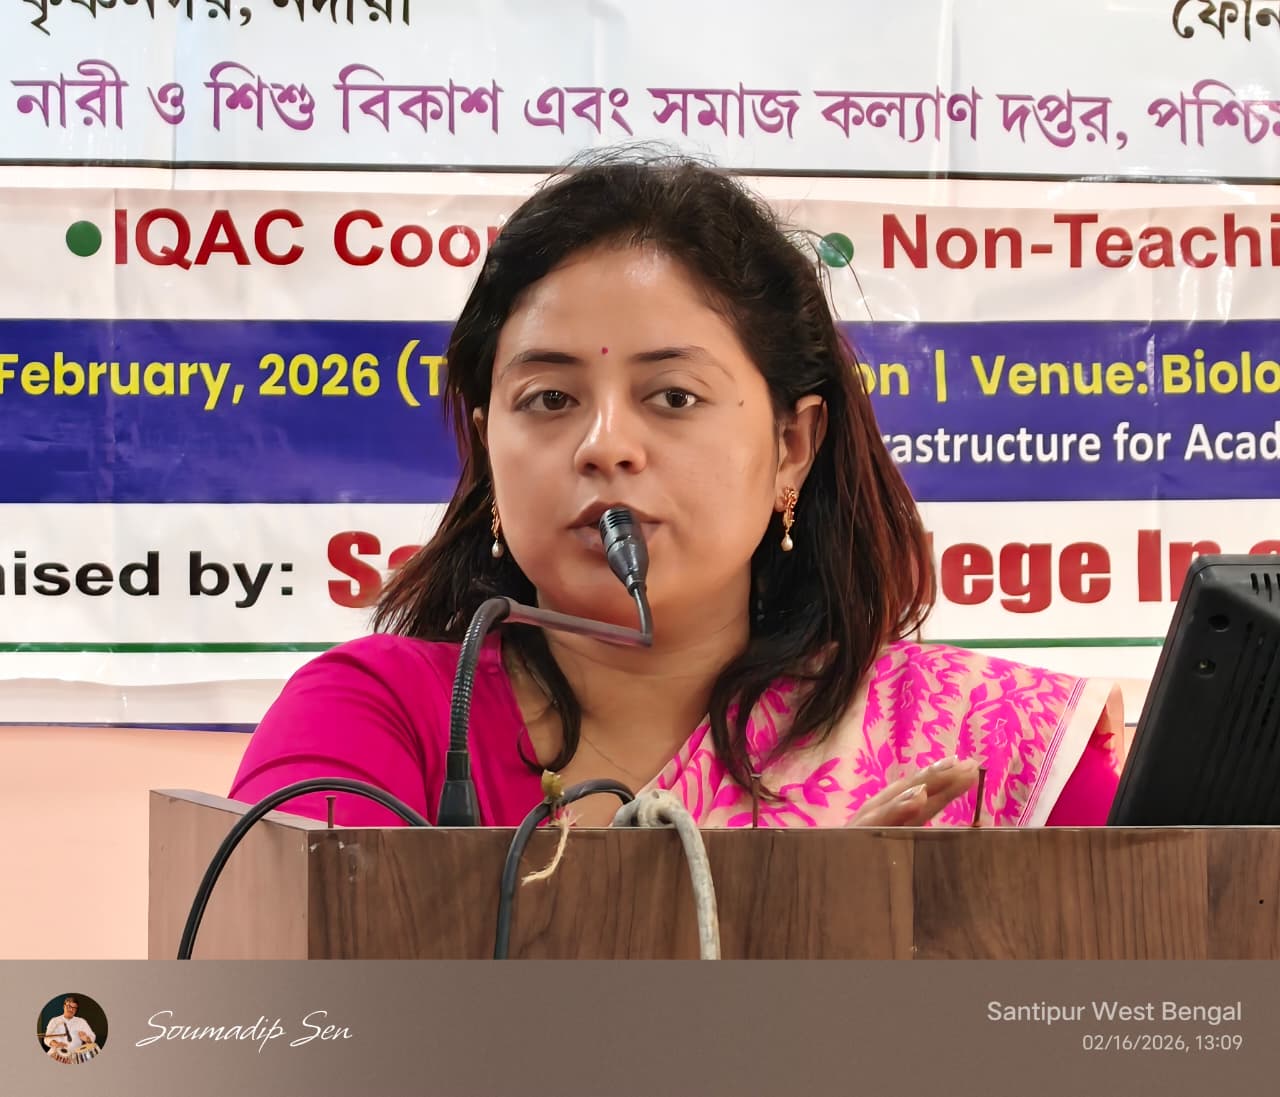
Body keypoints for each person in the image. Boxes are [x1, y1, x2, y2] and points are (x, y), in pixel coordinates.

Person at [230, 152, 1123, 830]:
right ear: (487, 445)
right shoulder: (373, 720)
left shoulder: (990, 753)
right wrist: (789, 934)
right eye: (550, 399)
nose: (605, 445)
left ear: (792, 446)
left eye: (673, 397)